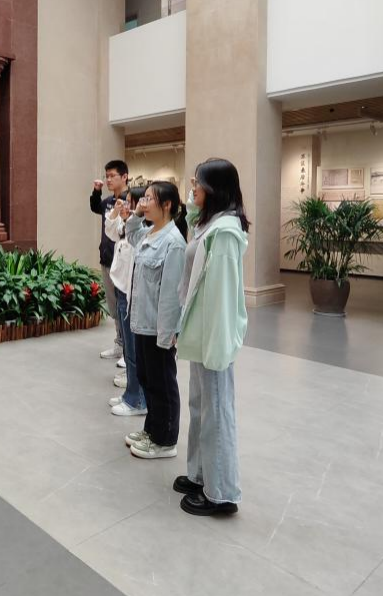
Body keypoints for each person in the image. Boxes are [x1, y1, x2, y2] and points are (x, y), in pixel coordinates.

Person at [172, 159, 249, 516]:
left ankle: (221, 493)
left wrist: (217, 348)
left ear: (214, 189)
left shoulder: (226, 232)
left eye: (198, 184)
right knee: (201, 407)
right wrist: (193, 199)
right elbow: (192, 221)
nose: (193, 189)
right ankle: (201, 475)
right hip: (200, 334)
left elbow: (221, 297)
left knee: (216, 412)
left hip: (212, 338)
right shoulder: (210, 224)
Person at [120, 181, 188, 459]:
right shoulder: (150, 233)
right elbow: (130, 233)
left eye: (149, 199)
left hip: (158, 327)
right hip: (142, 322)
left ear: (167, 205)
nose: (144, 203)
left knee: (162, 384)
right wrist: (136, 213)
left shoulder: (173, 243)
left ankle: (165, 440)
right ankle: (152, 430)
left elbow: (172, 295)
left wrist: (167, 333)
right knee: (147, 379)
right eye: (144, 198)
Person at [105, 186, 147, 416]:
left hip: (131, 294)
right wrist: (118, 212)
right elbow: (112, 231)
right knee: (130, 350)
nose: (127, 206)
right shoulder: (129, 227)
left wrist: (133, 216)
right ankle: (131, 394)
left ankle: (137, 399)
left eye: (132, 202)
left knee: (134, 352)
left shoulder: (141, 231)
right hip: (123, 291)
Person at [90, 160, 130, 360]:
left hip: (122, 262)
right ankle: (119, 344)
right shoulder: (107, 202)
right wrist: (96, 191)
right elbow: (95, 207)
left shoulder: (129, 201)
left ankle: (128, 350)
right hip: (106, 258)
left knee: (124, 306)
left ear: (124, 177)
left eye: (112, 176)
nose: (108, 180)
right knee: (114, 307)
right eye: (107, 176)